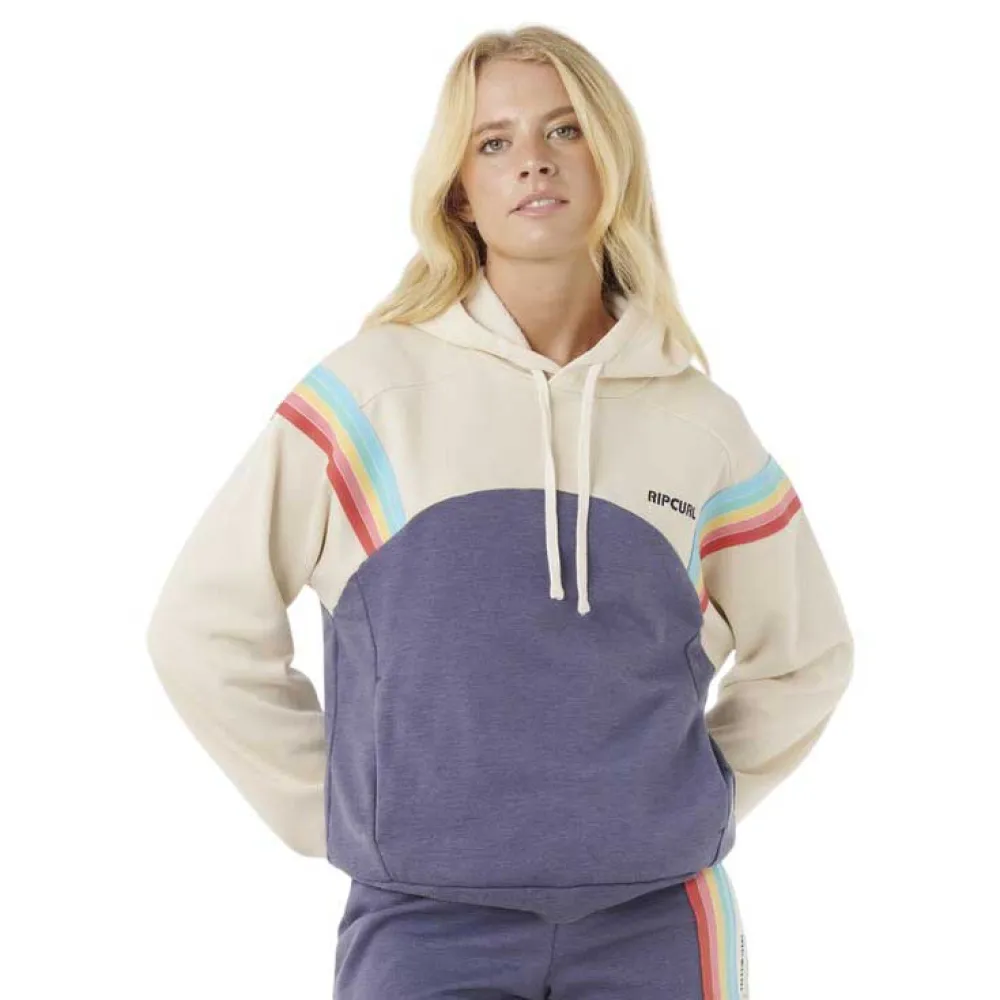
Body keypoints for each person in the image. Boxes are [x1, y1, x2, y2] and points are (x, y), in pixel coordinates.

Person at [146, 23, 853, 1000]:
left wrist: (695, 801)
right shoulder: (369, 398)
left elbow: (806, 652)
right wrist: (338, 809)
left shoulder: (700, 424)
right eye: (494, 141)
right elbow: (200, 626)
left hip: (658, 918)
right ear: (458, 191)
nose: (533, 160)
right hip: (422, 922)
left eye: (565, 130)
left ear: (611, 161)